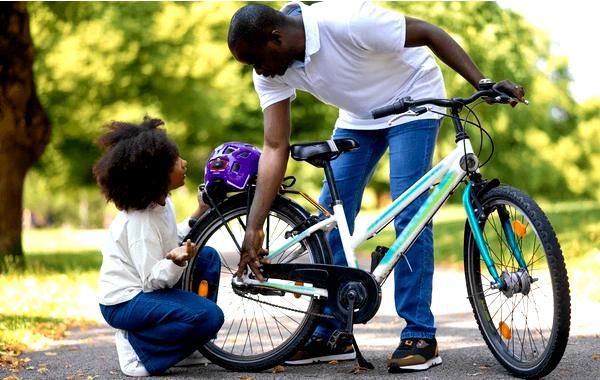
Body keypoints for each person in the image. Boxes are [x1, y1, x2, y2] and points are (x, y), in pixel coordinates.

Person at [227, 0, 525, 373]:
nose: (258, 71)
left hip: (414, 101)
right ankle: (331, 332)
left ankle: (419, 335)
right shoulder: (272, 71)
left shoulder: (348, 20)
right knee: (329, 220)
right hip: (357, 117)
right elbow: (274, 146)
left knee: (410, 212)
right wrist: (254, 226)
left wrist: (480, 82)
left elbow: (430, 33)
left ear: (276, 36)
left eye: (257, 60)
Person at [93, 116, 224, 377]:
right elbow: (152, 281)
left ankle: (190, 346)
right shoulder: (141, 222)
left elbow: (172, 237)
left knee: (207, 257)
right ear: (155, 170)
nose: (184, 163)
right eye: (176, 160)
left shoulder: (161, 203)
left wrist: (199, 212)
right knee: (209, 317)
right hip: (125, 302)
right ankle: (138, 347)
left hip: (143, 290)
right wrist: (177, 262)